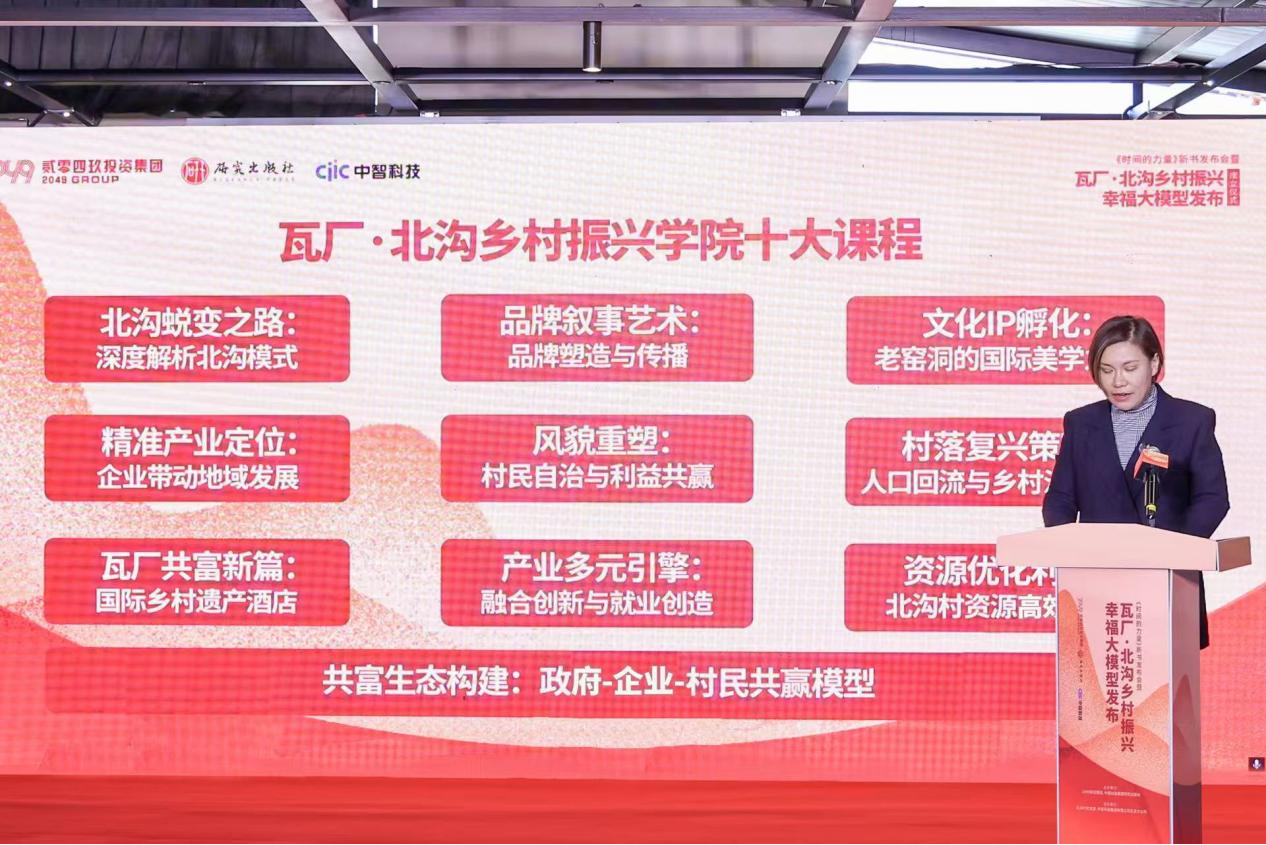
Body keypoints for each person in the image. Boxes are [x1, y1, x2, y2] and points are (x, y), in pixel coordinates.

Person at [1042, 315, 1229, 648]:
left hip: (1169, 585)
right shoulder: (1081, 424)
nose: (1118, 382)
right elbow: (1060, 499)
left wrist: (1175, 553)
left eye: (1130, 368)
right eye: (1107, 370)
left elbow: (1212, 497)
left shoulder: (1192, 420)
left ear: (1154, 363)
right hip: (1097, 586)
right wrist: (1070, 548)